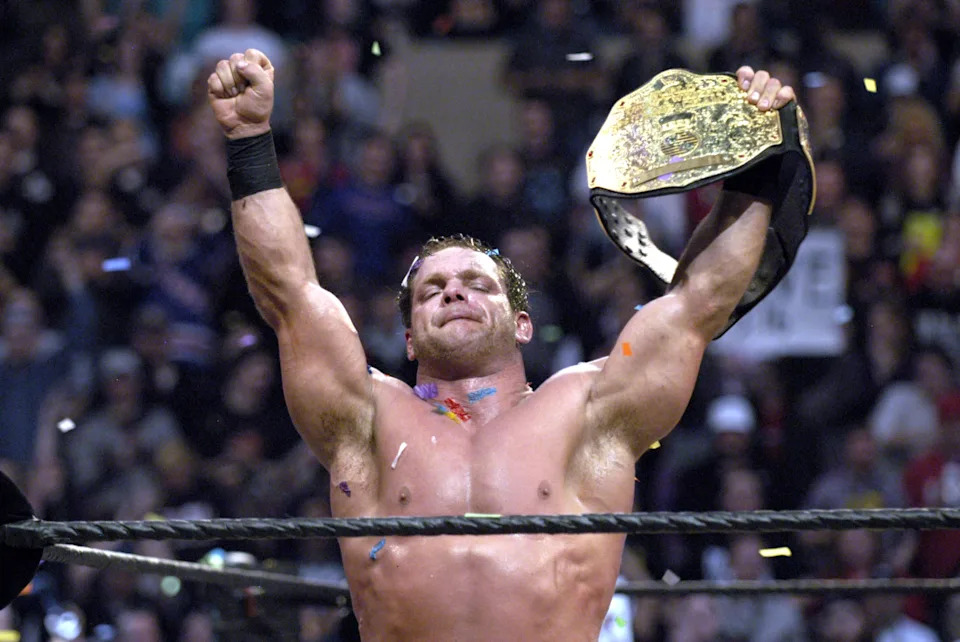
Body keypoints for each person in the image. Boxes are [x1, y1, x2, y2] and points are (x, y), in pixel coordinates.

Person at [207, 48, 798, 641]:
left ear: (522, 325)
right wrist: (249, 137)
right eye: (432, 290)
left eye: (477, 284)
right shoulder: (368, 417)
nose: (453, 292)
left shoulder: (586, 411)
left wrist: (757, 150)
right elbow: (289, 293)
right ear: (409, 339)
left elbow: (698, 302)